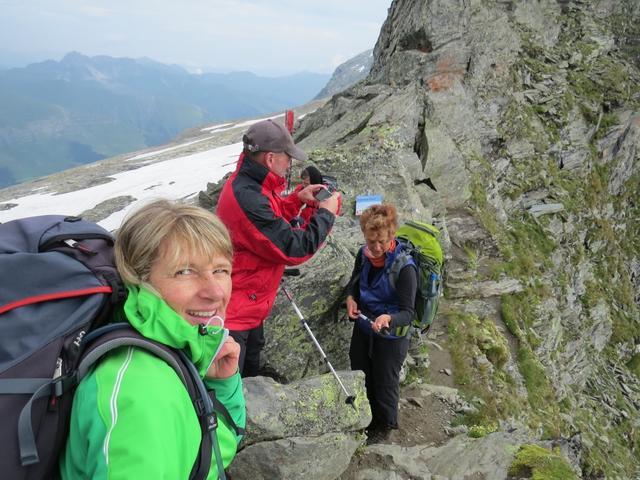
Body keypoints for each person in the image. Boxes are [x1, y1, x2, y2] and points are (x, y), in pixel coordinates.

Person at [60, 199, 245, 479]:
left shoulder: (169, 350)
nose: (215, 292)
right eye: (185, 271)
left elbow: (204, 458)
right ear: (138, 278)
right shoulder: (137, 389)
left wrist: (222, 386)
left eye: (220, 270)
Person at [216, 119, 341, 377]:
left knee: (249, 386)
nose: (290, 164)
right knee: (232, 396)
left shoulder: (250, 183)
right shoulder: (248, 197)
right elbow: (294, 248)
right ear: (271, 159)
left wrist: (297, 200)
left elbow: (267, 220)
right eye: (288, 158)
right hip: (235, 318)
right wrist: (326, 215)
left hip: (248, 307)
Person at [345, 204, 417, 444]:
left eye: (381, 242)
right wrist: (350, 298)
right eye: (370, 241)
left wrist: (389, 319)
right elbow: (355, 283)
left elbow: (408, 313)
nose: (375, 248)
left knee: (385, 381)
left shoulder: (405, 268)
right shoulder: (362, 255)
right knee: (361, 373)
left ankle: (383, 427)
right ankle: (365, 419)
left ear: (392, 237)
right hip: (365, 327)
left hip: (392, 334)